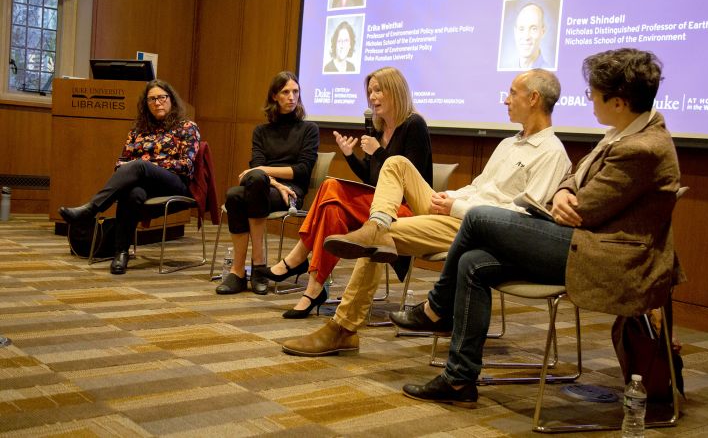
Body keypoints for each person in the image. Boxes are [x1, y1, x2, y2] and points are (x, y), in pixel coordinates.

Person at [394, 48, 681, 407]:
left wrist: (568, 197)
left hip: (604, 257)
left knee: (480, 218)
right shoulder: (622, 133)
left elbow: (586, 211)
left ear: (620, 102)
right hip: (583, 240)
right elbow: (575, 180)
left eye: (594, 93)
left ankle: (436, 309)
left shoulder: (643, 147)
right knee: (473, 264)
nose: (588, 99)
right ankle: (459, 380)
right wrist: (564, 191)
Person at [280, 68, 571, 356]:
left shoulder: (551, 152)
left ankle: (342, 329)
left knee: (374, 241)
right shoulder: (509, 143)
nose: (506, 100)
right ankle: (376, 225)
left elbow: (520, 219)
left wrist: (455, 207)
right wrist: (451, 197)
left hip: (479, 228)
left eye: (512, 93)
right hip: (456, 211)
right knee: (395, 165)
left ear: (533, 98)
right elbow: (480, 187)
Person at [254, 66, 432, 318]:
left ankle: (297, 258)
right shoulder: (380, 130)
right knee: (332, 209)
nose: (372, 97)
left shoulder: (414, 125)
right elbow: (372, 179)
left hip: (405, 212)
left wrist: (378, 151)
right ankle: (314, 289)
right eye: (370, 91)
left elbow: (409, 179)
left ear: (395, 90)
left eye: (378, 90)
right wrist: (350, 155)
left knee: (331, 187)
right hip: (378, 207)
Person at [58, 80, 200, 275]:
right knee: (132, 193)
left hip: (175, 183)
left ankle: (91, 209)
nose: (157, 102)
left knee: (139, 166)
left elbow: (187, 165)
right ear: (146, 104)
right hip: (144, 184)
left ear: (171, 100)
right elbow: (120, 163)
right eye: (152, 99)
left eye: (161, 97)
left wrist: (149, 166)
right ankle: (121, 253)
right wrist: (140, 168)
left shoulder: (187, 127)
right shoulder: (137, 131)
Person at [215, 71, 319, 295]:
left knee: (243, 189)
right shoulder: (261, 131)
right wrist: (271, 179)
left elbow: (302, 171)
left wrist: (264, 173)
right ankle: (247, 270)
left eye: (295, 92)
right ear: (274, 96)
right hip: (264, 188)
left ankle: (248, 269)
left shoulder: (309, 129)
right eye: (285, 92)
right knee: (237, 193)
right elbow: (257, 165)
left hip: (290, 194)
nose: (292, 97)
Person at [513, 3, 548, 69]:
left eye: (533, 29)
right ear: (515, 32)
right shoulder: (508, 67)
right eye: (521, 29)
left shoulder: (548, 73)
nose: (526, 37)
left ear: (543, 32)